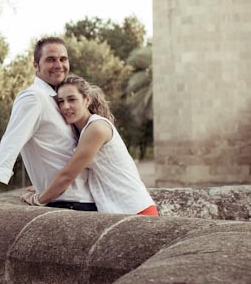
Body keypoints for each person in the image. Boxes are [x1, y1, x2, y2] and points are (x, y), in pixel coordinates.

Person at [0, 38, 96, 211]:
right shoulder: (33, 98)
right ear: (36, 65)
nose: (58, 65)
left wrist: (42, 182)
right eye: (50, 59)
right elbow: (12, 141)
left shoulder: (61, 100)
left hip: (87, 195)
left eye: (63, 59)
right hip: (70, 201)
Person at [19, 75, 158, 216]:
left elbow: (68, 174)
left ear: (86, 100)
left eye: (72, 99)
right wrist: (46, 186)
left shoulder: (96, 128)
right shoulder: (82, 131)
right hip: (120, 211)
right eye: (61, 101)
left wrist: (38, 199)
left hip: (138, 210)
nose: (66, 106)